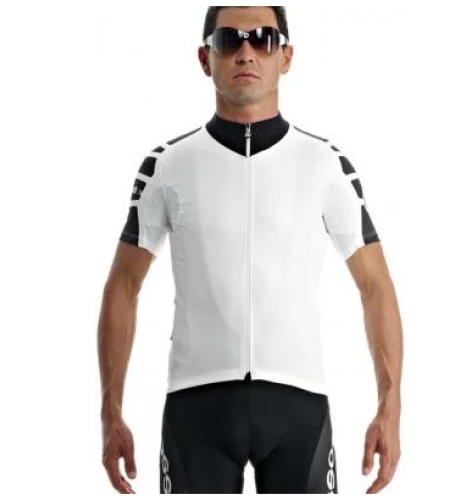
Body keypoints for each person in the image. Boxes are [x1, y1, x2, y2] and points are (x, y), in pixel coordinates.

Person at [98, 6, 403, 494]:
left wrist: (390, 404)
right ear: (205, 58)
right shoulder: (168, 165)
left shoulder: (325, 164)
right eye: (229, 40)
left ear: (286, 56)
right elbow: (123, 286)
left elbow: (375, 285)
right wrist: (110, 412)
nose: (246, 52)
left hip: (299, 407)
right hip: (196, 407)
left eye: (263, 38)